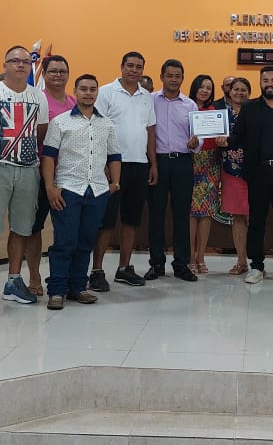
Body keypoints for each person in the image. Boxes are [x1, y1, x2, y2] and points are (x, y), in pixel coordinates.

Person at [0, 45, 50, 308]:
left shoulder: (38, 97)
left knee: (22, 228)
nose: (20, 65)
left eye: (26, 61)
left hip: (28, 170)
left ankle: (14, 282)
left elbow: (40, 133)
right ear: (5, 64)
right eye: (15, 61)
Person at [42, 74, 122, 311]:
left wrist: (115, 184)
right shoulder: (60, 122)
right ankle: (57, 290)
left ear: (97, 92)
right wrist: (50, 187)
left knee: (86, 242)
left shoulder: (106, 124)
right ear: (75, 91)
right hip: (68, 190)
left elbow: (114, 156)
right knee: (65, 242)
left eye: (92, 89)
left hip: (97, 191)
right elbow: (48, 156)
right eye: (84, 89)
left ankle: (78, 287)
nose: (88, 93)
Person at [221, 66, 273, 285]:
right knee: (256, 221)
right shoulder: (249, 108)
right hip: (258, 172)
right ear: (260, 83)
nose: (269, 83)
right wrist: (225, 141)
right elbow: (238, 136)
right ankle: (256, 266)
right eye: (265, 80)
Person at [91, 51, 157, 291]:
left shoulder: (146, 96)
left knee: (132, 219)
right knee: (106, 220)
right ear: (121, 66)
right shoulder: (106, 92)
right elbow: (97, 127)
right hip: (112, 165)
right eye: (130, 65)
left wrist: (153, 164)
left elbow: (150, 131)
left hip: (139, 164)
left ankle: (124, 268)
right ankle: (97, 271)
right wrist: (103, 163)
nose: (134, 70)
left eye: (139, 67)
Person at [146, 59, 199, 281]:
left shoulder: (190, 105)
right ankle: (156, 264)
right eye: (170, 75)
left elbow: (198, 137)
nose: (174, 80)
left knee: (181, 215)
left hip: (183, 163)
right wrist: (153, 164)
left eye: (178, 76)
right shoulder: (150, 101)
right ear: (162, 77)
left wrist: (196, 142)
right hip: (158, 162)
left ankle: (181, 264)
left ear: (182, 78)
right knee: (156, 215)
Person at [28, 54, 77, 287]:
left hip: (68, 177)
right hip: (38, 174)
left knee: (67, 231)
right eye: (53, 71)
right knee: (34, 227)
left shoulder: (75, 103)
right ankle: (34, 276)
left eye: (62, 71)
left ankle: (65, 276)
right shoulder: (36, 100)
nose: (58, 75)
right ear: (44, 74)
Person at [218, 77, 252, 275]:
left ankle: (257, 262)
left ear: (249, 92)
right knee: (237, 216)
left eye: (243, 89)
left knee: (254, 216)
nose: (239, 92)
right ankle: (241, 261)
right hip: (230, 170)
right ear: (229, 92)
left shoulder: (256, 112)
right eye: (235, 89)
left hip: (254, 172)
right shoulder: (221, 115)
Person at [188, 74, 220, 274]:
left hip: (210, 163)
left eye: (209, 88)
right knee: (191, 212)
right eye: (202, 86)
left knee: (206, 211)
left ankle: (201, 257)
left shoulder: (215, 112)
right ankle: (190, 257)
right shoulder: (186, 107)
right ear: (195, 88)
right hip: (190, 161)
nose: (205, 91)